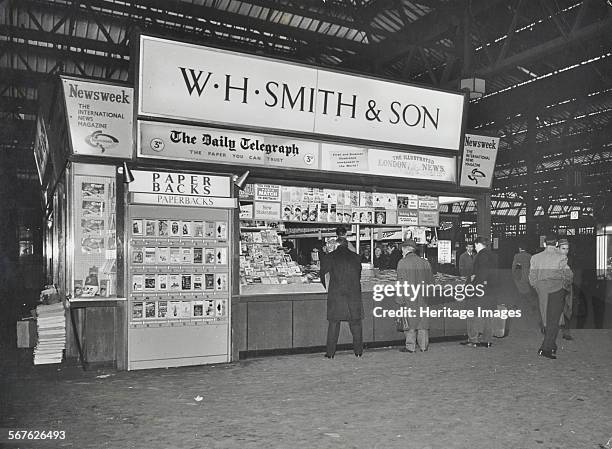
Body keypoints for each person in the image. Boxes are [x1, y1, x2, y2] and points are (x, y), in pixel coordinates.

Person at [529, 234, 573, 359]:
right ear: (557, 245)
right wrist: (565, 285)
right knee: (554, 319)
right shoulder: (561, 257)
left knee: (545, 318)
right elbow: (569, 275)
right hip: (556, 289)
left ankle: (552, 344)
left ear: (544, 244)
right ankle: (545, 349)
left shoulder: (535, 257)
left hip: (542, 289)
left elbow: (532, 276)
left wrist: (536, 286)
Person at [320, 237, 363, 358]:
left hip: (336, 295)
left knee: (334, 324)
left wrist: (327, 287)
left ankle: (330, 353)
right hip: (353, 295)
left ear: (337, 245)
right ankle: (358, 352)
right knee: (356, 324)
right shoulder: (356, 257)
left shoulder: (329, 257)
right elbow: (358, 275)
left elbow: (322, 275)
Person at [396, 239, 434, 352]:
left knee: (410, 322)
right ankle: (423, 346)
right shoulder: (425, 262)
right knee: (422, 322)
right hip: (423, 296)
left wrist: (399, 300)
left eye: (402, 249)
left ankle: (410, 346)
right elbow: (431, 282)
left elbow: (401, 283)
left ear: (405, 249)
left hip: (409, 296)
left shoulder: (402, 262)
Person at [460, 237, 496, 348]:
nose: (474, 247)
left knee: (471, 313)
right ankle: (487, 340)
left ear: (478, 244)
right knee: (487, 314)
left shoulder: (481, 255)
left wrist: (474, 282)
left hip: (479, 289)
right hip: (490, 289)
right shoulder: (492, 255)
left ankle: (473, 339)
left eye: (475, 245)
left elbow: (481, 272)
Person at [557, 239, 575, 340]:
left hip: (567, 288)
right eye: (563, 248)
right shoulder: (554, 260)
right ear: (558, 248)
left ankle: (566, 332)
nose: (566, 251)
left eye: (567, 249)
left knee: (568, 309)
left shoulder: (569, 259)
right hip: (556, 287)